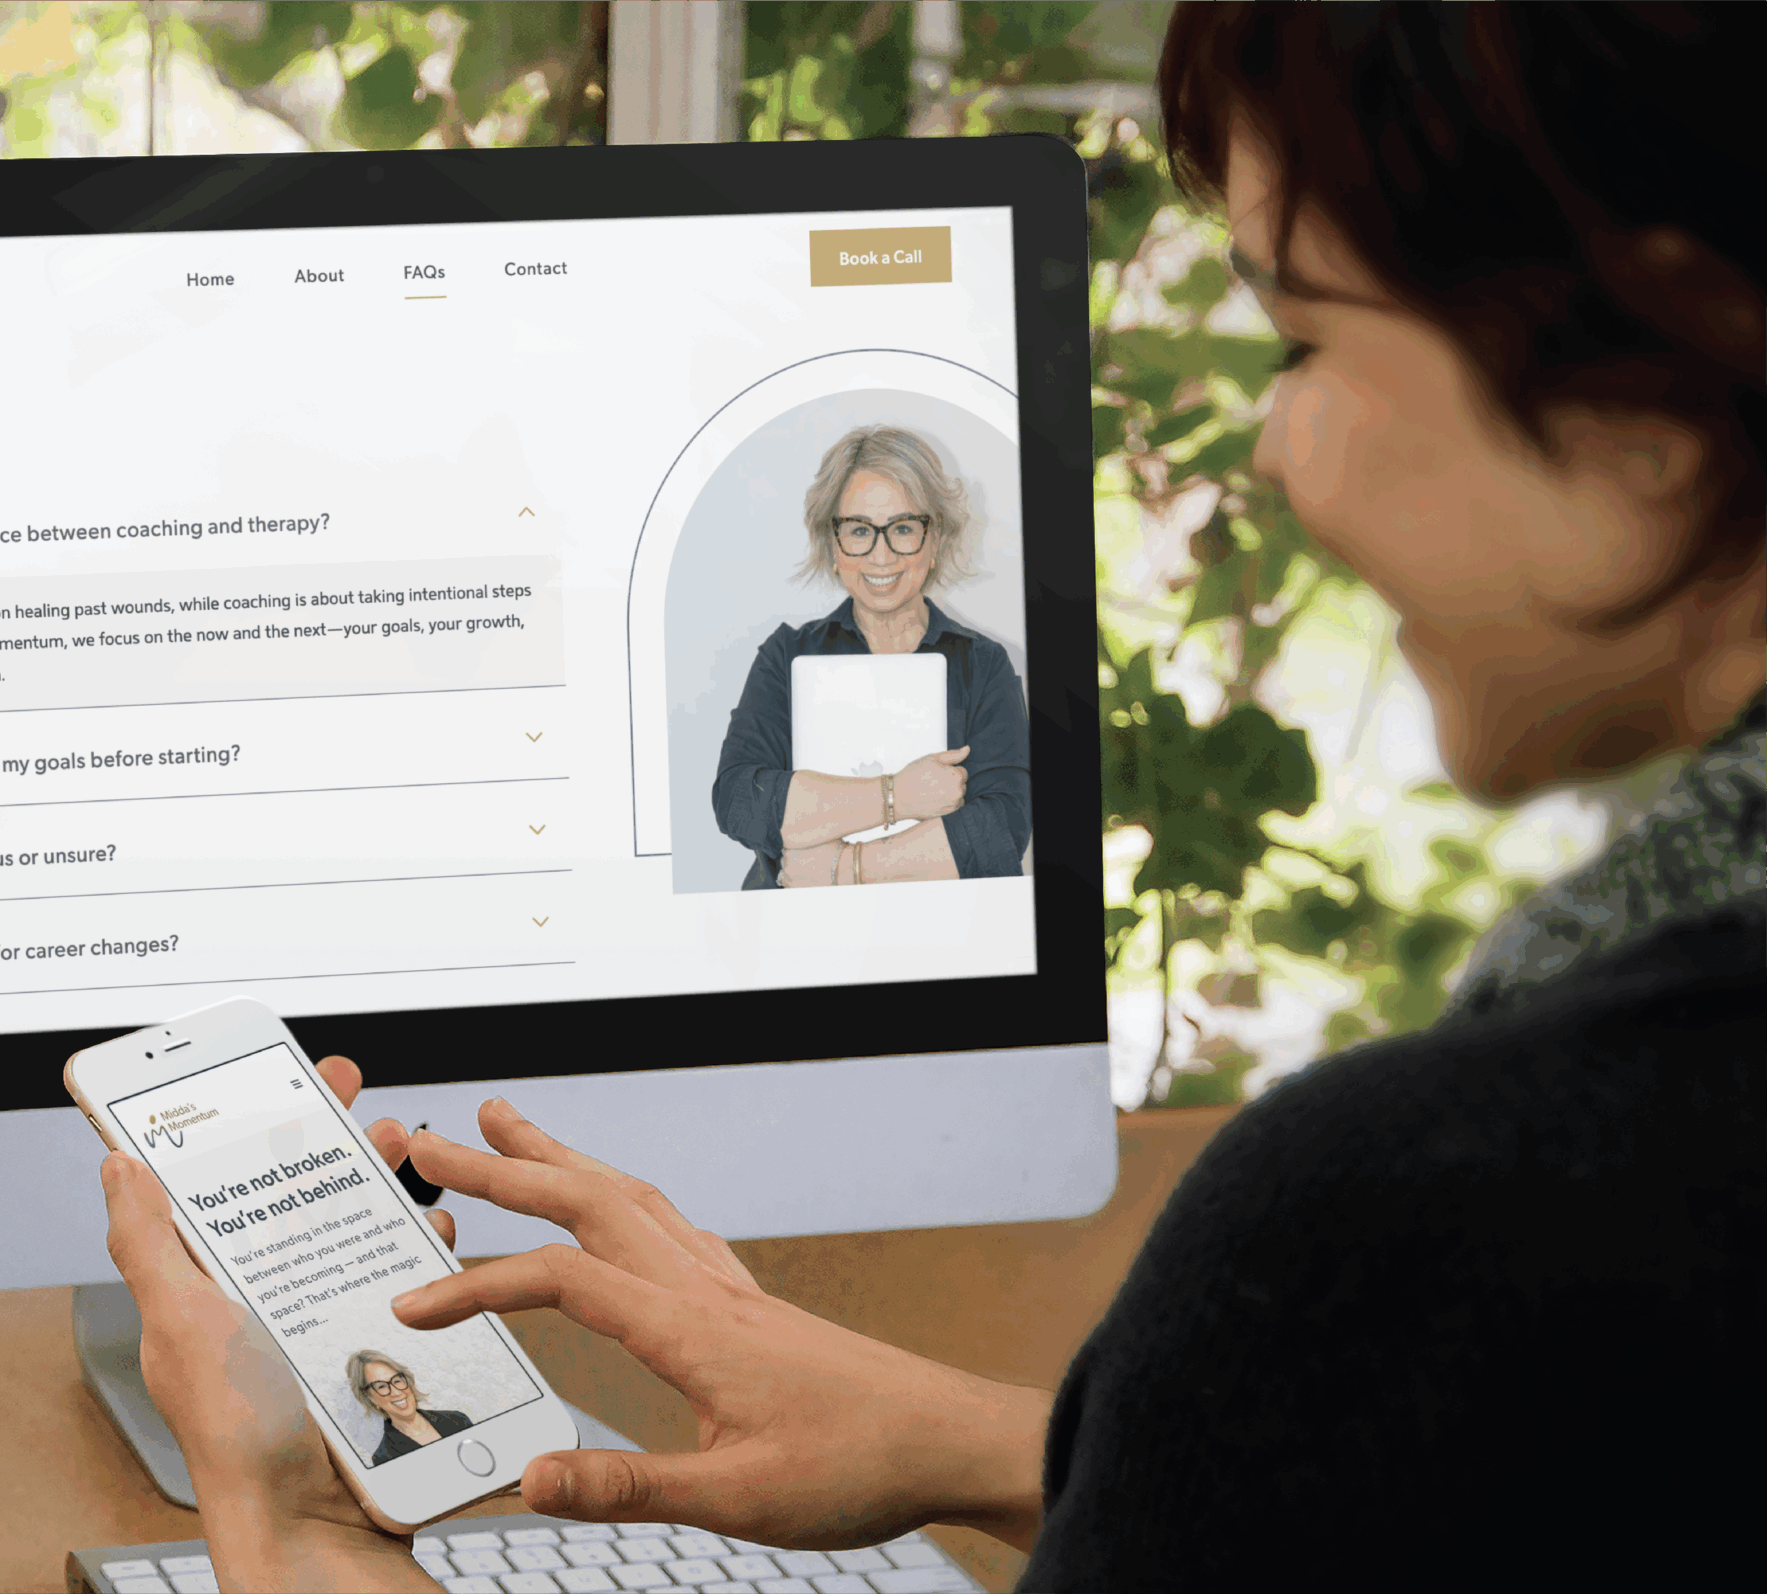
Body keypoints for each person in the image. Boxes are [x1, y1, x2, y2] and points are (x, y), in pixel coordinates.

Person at [96, 5, 1764, 1588]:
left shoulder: (1441, 1221)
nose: (1270, 448)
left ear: (1650, 398)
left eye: (1305, 334)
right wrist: (1021, 1439)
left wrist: (291, 1517)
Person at [712, 424, 1031, 888]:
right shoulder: (786, 657)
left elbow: (1000, 831)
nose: (881, 556)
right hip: (796, 938)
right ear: (832, 542)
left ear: (935, 537)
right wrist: (899, 796)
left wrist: (844, 868)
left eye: (903, 528)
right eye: (860, 530)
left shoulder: (982, 665)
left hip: (945, 938)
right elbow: (741, 801)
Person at [343, 1352, 474, 1466]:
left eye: (397, 1380)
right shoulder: (385, 1457)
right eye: (382, 1386)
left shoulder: (458, 1420)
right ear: (370, 1398)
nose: (396, 1392)